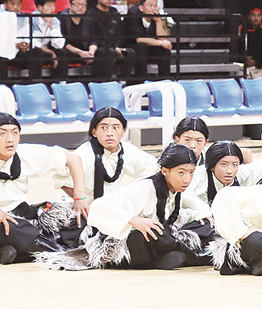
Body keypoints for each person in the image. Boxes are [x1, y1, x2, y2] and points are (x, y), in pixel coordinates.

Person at [39, 144, 214, 270]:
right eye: (181, 173)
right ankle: (192, 258)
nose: (187, 179)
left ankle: (166, 257)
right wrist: (134, 220)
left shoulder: (178, 189)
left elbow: (190, 209)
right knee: (154, 233)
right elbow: (98, 207)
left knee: (206, 225)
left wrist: (202, 216)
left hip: (160, 237)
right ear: (165, 171)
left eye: (191, 173)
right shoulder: (144, 188)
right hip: (125, 242)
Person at [0, 113, 89, 265]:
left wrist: (79, 197)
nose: (10, 139)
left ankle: (21, 252)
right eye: (2, 133)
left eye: (15, 132)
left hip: (22, 212)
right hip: (6, 221)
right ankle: (60, 251)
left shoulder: (25, 152)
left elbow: (73, 159)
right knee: (11, 227)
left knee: (75, 218)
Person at [71, 108, 158, 202]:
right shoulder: (82, 154)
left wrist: (136, 193)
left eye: (115, 128)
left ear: (123, 131)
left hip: (113, 205)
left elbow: (153, 167)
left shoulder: (127, 150)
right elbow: (65, 183)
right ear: (94, 132)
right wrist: (80, 199)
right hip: (82, 204)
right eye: (104, 128)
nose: (110, 133)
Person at [87, 0, 133, 79]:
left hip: (113, 47)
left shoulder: (115, 13)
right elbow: (92, 36)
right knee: (109, 52)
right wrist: (112, 47)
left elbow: (120, 34)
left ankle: (124, 81)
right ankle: (103, 81)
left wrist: (117, 46)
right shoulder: (90, 13)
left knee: (130, 52)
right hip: (98, 47)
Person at [21, 0, 68, 78]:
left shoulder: (55, 21)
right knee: (36, 52)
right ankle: (35, 82)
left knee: (62, 52)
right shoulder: (30, 19)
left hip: (46, 51)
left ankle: (62, 83)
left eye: (53, 5)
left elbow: (59, 45)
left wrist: (51, 27)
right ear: (40, 7)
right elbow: (32, 42)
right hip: (32, 51)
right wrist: (50, 52)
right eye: (49, 6)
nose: (52, 9)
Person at [125, 0, 172, 78]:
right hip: (132, 47)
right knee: (142, 46)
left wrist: (158, 21)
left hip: (148, 48)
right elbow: (139, 39)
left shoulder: (155, 17)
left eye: (155, 6)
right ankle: (141, 78)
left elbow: (161, 38)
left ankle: (164, 78)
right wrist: (161, 43)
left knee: (165, 48)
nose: (153, 8)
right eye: (150, 5)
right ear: (141, 8)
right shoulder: (133, 15)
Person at [58, 0, 98, 74]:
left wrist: (91, 52)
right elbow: (63, 42)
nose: (80, 7)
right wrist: (81, 53)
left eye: (83, 5)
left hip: (86, 51)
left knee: (105, 52)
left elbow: (93, 40)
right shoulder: (61, 19)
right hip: (70, 51)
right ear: (70, 5)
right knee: (62, 53)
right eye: (77, 4)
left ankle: (100, 80)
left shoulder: (89, 20)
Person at [196, 140, 244, 205]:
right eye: (224, 164)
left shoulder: (241, 173)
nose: (230, 171)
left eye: (235, 165)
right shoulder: (197, 177)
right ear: (212, 166)